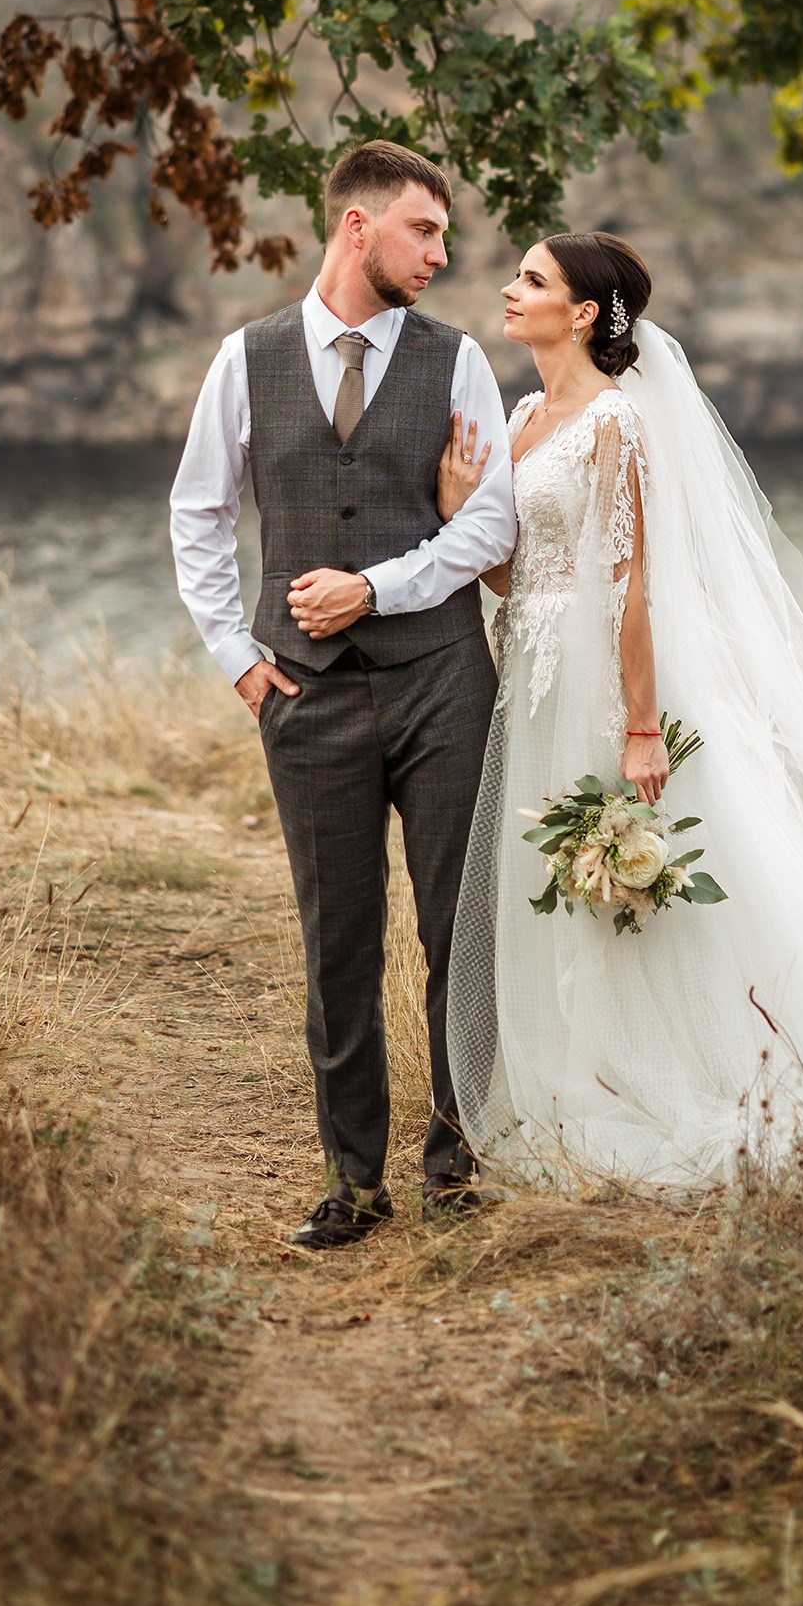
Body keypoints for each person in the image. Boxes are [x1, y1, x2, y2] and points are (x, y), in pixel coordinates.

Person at [442, 232, 803, 1189]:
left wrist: (638, 726)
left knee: (634, 880)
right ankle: (579, 1077)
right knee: (555, 883)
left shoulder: (616, 426)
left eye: (532, 280)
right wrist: (463, 503)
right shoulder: (527, 415)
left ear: (582, 312)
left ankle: (691, 1068)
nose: (509, 290)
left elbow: (631, 588)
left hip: (598, 680)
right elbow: (520, 574)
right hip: (532, 676)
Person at [169, 141, 515, 1248]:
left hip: (442, 682)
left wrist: (372, 588)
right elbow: (199, 514)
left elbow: (490, 523)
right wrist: (235, 653)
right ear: (356, 227)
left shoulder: (456, 362)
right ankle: (351, 1180)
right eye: (423, 230)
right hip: (304, 699)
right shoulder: (249, 357)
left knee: (458, 926)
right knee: (339, 938)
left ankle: (458, 1164)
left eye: (445, 235)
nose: (441, 253)